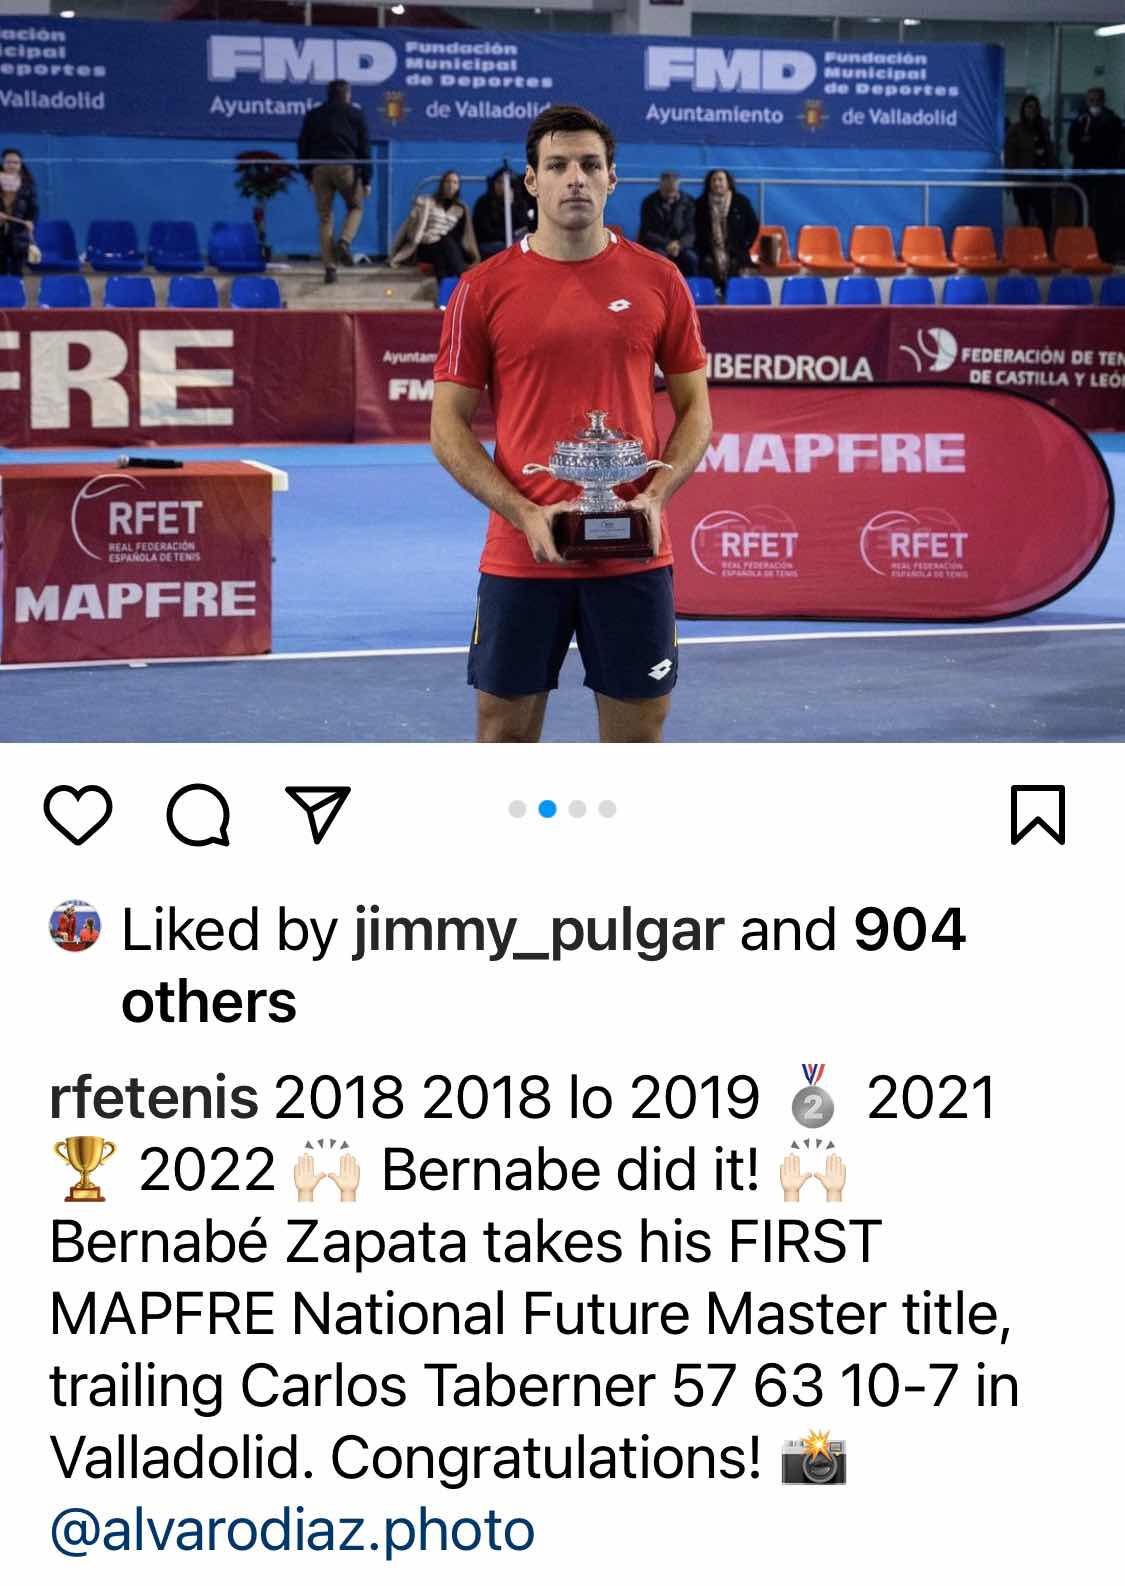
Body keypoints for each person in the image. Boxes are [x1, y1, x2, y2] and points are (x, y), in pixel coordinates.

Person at [430, 104, 711, 745]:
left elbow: (697, 409)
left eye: (590, 164)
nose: (575, 178)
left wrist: (655, 497)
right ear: (532, 181)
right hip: (521, 555)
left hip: (635, 553)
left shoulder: (661, 280)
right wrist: (524, 513)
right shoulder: (482, 288)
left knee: (637, 738)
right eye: (558, 165)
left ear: (613, 178)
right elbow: (447, 427)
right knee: (503, 735)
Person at [297, 79, 372, 284]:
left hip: (319, 169)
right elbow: (364, 149)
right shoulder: (356, 114)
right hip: (346, 167)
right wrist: (366, 179)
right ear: (347, 94)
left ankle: (330, 268)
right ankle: (344, 242)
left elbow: (303, 146)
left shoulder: (313, 115)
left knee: (325, 218)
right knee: (356, 207)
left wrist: (307, 174)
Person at [1067, 87, 1123, 262]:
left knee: (1104, 216)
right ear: (1086, 101)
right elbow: (1073, 146)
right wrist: (1087, 144)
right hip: (1083, 178)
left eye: (1098, 100)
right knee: (1082, 215)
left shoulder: (1114, 121)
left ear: (1103, 101)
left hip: (1105, 179)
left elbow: (1114, 148)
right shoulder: (1079, 121)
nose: (1094, 103)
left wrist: (1091, 143)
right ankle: (1079, 253)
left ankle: (1104, 254)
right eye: (1091, 100)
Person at [390, 171, 480, 277]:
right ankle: (464, 277)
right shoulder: (427, 203)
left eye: (455, 182)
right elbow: (409, 228)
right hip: (425, 245)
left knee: (443, 252)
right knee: (445, 246)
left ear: (458, 186)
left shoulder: (461, 208)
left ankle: (446, 284)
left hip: (446, 247)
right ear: (442, 184)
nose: (451, 185)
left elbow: (464, 235)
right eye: (448, 182)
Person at [694, 169, 758, 298]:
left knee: (737, 264)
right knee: (707, 264)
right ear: (709, 183)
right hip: (709, 251)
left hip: (737, 250)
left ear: (728, 182)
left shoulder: (741, 201)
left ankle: (733, 298)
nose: (717, 183)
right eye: (714, 180)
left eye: (720, 179)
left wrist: (745, 244)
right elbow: (695, 230)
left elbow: (753, 225)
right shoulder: (700, 204)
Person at [1004, 95, 1056, 237]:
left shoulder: (1044, 128)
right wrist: (1011, 180)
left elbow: (1050, 154)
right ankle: (1025, 247)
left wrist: (1054, 177)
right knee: (1024, 220)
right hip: (1023, 182)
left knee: (1045, 219)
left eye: (1035, 107)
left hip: (1042, 181)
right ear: (1023, 109)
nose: (1032, 110)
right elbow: (1010, 157)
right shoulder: (1015, 129)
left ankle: (1043, 246)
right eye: (1029, 106)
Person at [473, 167, 534, 259]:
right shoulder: (484, 202)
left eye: (504, 183)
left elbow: (524, 225)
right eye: (498, 182)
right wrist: (509, 235)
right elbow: (485, 231)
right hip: (491, 244)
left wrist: (511, 205)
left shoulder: (520, 203)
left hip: (514, 242)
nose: (501, 186)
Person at [0, 149, 37, 276]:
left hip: (19, 233)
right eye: (8, 162)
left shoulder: (27, 184)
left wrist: (30, 221)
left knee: (18, 271)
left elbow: (33, 208)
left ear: (21, 164)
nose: (12, 165)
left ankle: (17, 288)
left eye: (15, 162)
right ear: (3, 163)